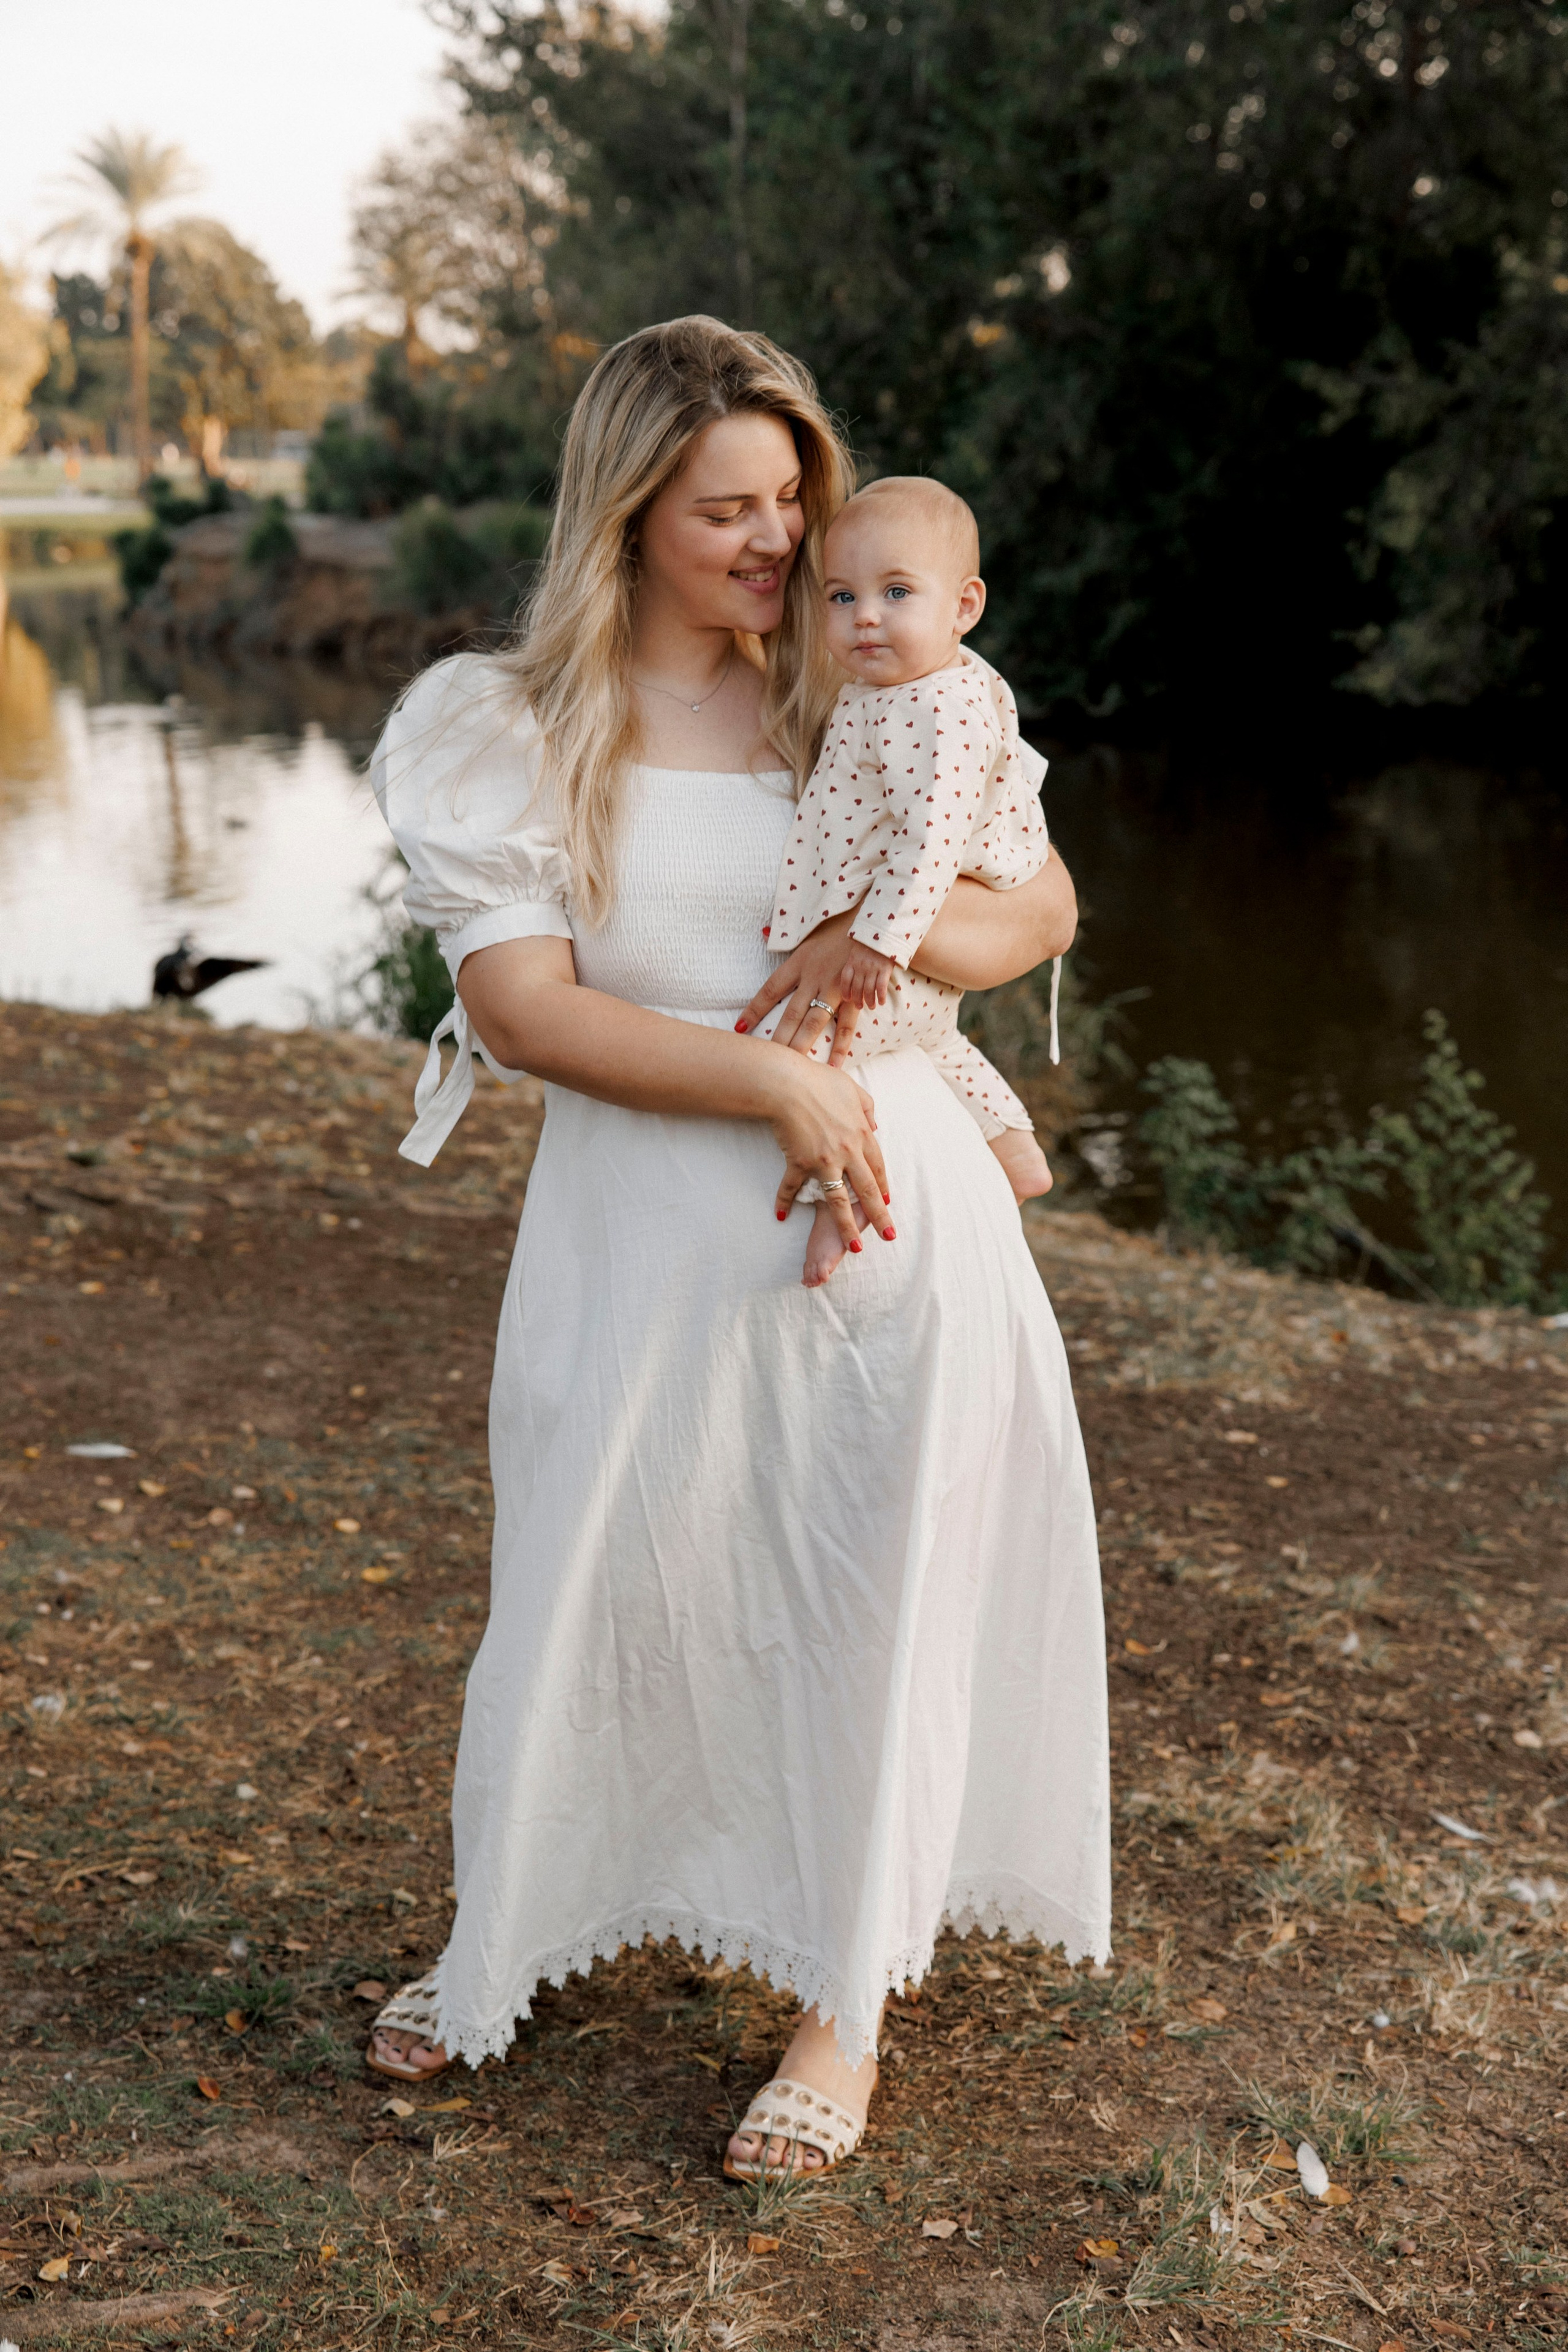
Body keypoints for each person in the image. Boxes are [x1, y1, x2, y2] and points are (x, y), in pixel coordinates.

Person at [367, 315, 1110, 2181]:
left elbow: (1046, 905)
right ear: (627, 511)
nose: (781, 542)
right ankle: (509, 1932)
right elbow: (524, 1011)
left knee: (861, 1587)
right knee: (592, 1571)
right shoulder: (510, 719)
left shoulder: (870, 676)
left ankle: (843, 1999)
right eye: (730, 511)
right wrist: (767, 1083)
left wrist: (887, 942)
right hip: (643, 1222)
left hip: (884, 1228)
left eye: (795, 499)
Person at [758, 472, 1056, 1289]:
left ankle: (833, 1203)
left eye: (896, 592)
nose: (866, 618)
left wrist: (875, 943)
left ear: (964, 608)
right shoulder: (890, 689)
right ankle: (1015, 1146)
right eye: (842, 597)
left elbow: (933, 839)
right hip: (906, 943)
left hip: (894, 940)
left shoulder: (944, 705)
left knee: (815, 1054)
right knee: (936, 1037)